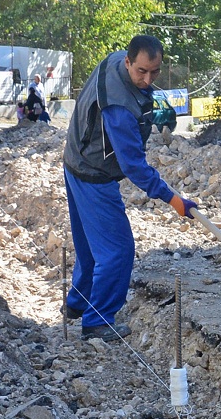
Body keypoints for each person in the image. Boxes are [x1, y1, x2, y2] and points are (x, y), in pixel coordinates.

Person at [61, 35, 196, 342]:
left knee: (89, 247)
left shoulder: (114, 59)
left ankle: (77, 304)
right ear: (128, 62)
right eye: (141, 72)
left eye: (155, 72)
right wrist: (174, 200)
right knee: (118, 250)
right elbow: (134, 166)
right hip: (92, 172)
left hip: (74, 157)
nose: (148, 80)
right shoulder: (120, 107)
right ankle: (97, 321)